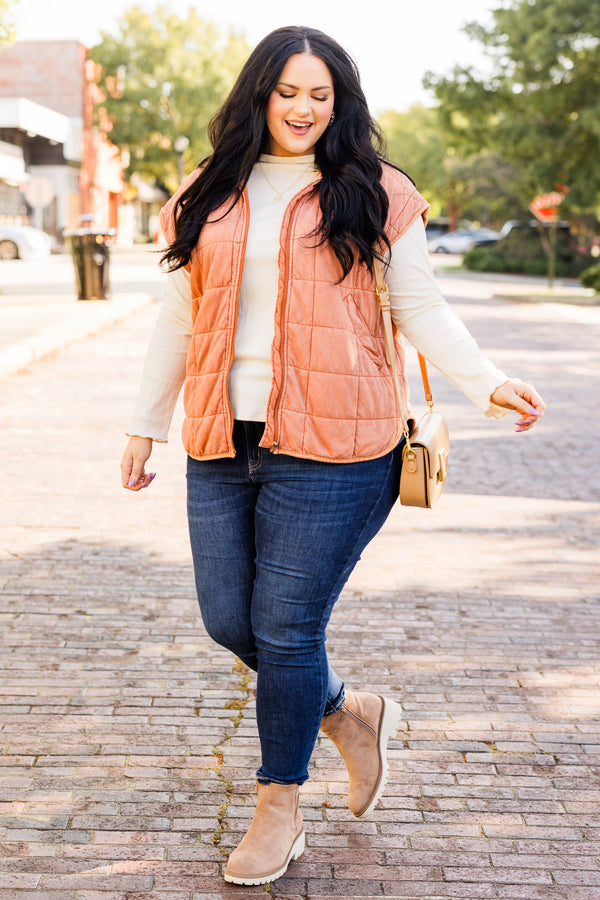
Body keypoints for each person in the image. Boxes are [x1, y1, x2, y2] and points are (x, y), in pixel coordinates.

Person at [120, 26, 545, 886]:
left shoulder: (376, 191)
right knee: (230, 622)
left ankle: (279, 806)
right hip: (222, 436)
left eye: (321, 94)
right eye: (288, 92)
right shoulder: (207, 191)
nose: (304, 109)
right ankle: (350, 712)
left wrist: (487, 382)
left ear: (340, 102)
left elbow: (419, 305)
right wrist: (145, 424)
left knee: (286, 628)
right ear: (259, 96)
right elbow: (179, 314)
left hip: (340, 445)